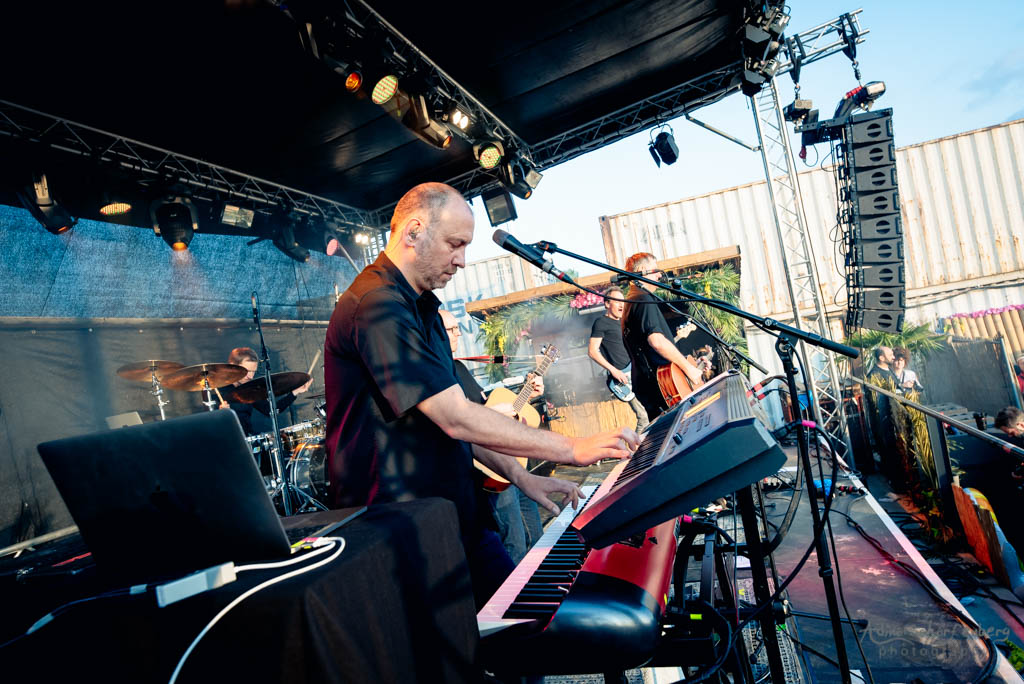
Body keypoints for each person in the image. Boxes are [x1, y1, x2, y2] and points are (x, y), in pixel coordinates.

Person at [323, 182, 639, 607]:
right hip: (402, 534)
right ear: (414, 231)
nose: (463, 260)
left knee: (521, 627)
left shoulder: (422, 308)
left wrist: (521, 476)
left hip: (455, 517)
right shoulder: (376, 304)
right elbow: (454, 416)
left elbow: (462, 422)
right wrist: (572, 448)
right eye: (455, 244)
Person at [440, 308, 544, 565]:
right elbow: (460, 420)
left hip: (510, 463)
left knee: (537, 536)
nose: (456, 335)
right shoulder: (440, 376)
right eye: (449, 330)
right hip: (488, 469)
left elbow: (487, 406)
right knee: (515, 544)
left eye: (457, 329)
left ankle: (545, 580)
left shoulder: (459, 366)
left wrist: (526, 396)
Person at [620, 252, 703, 420]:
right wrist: (689, 369)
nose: (659, 275)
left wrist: (692, 364)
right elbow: (656, 341)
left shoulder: (633, 300)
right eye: (655, 270)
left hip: (649, 382)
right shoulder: (643, 299)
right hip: (660, 384)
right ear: (643, 270)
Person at [588, 286, 649, 433]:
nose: (622, 304)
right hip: (623, 377)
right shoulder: (601, 322)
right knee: (643, 417)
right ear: (607, 304)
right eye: (617, 301)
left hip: (635, 372)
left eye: (623, 301)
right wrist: (614, 371)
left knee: (651, 410)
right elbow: (592, 351)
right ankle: (637, 447)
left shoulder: (625, 322)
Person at [218, 346, 312, 435]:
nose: (250, 376)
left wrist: (295, 392)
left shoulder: (249, 389)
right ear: (233, 367)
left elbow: (271, 411)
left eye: (253, 371)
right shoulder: (217, 390)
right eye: (247, 371)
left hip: (247, 439)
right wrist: (219, 414)